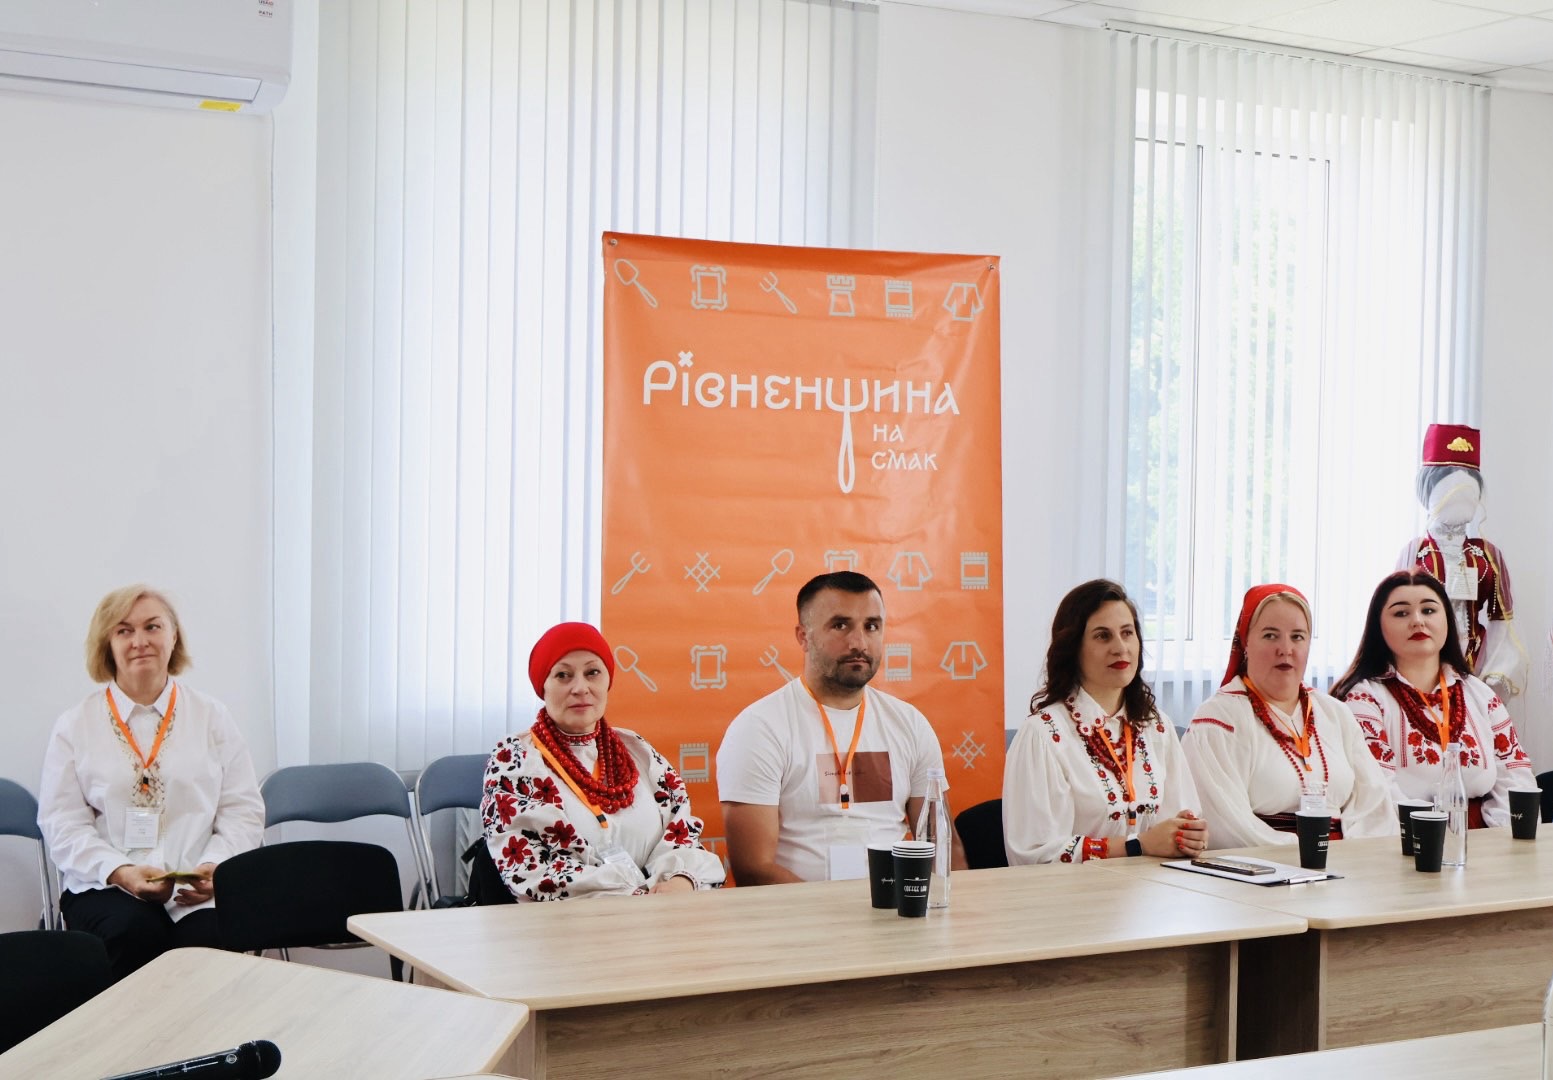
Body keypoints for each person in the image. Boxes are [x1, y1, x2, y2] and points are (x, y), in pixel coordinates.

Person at [37, 585, 264, 980]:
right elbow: (63, 824)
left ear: (174, 636)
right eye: (124, 630)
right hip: (106, 886)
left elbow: (242, 809)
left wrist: (216, 867)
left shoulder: (212, 716)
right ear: (107, 644)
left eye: (152, 627)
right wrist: (120, 871)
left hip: (198, 889)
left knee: (208, 942)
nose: (139, 641)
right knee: (134, 933)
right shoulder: (75, 725)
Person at [717, 571, 961, 884]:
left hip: (895, 906)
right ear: (803, 636)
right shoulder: (760, 728)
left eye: (871, 626)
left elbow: (943, 847)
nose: (859, 643)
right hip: (802, 912)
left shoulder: (910, 724)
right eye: (840, 625)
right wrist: (834, 910)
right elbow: (754, 869)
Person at [480, 622, 724, 900]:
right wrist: (634, 898)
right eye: (563, 675)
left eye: (592, 672)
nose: (580, 688)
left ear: (608, 681)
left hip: (658, 913)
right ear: (542, 687)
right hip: (570, 921)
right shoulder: (515, 761)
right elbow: (531, 871)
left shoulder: (637, 750)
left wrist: (681, 879)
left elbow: (681, 832)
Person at [1004, 579, 1208, 864]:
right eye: (1103, 636)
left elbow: (1181, 821)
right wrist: (1136, 845)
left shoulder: (1157, 726)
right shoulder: (1044, 734)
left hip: (1156, 886)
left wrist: (1188, 835)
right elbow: (1035, 855)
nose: (1120, 647)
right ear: (1073, 648)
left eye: (1127, 633)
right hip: (1078, 892)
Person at [1183, 584, 1394, 850]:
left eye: (1297, 637)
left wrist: (1348, 858)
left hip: (1345, 864)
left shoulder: (1336, 714)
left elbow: (1374, 804)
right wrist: (1306, 855)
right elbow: (1225, 822)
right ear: (1246, 643)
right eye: (1270, 636)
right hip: (1262, 865)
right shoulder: (1219, 720)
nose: (1285, 649)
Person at [1333, 570, 1535, 827]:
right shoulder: (1365, 698)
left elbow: (1515, 777)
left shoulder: (1479, 694)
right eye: (1401, 613)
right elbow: (1376, 790)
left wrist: (1502, 840)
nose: (1417, 621)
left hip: (1483, 835)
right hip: (1404, 835)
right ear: (1378, 627)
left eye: (1428, 610)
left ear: (1447, 620)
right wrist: (1430, 835)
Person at [1399, 423, 1526, 698]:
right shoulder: (1416, 552)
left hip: (1474, 668)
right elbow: (1397, 614)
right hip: (1422, 667)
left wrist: (1495, 672)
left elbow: (1501, 622)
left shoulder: (1487, 556)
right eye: (1449, 489)